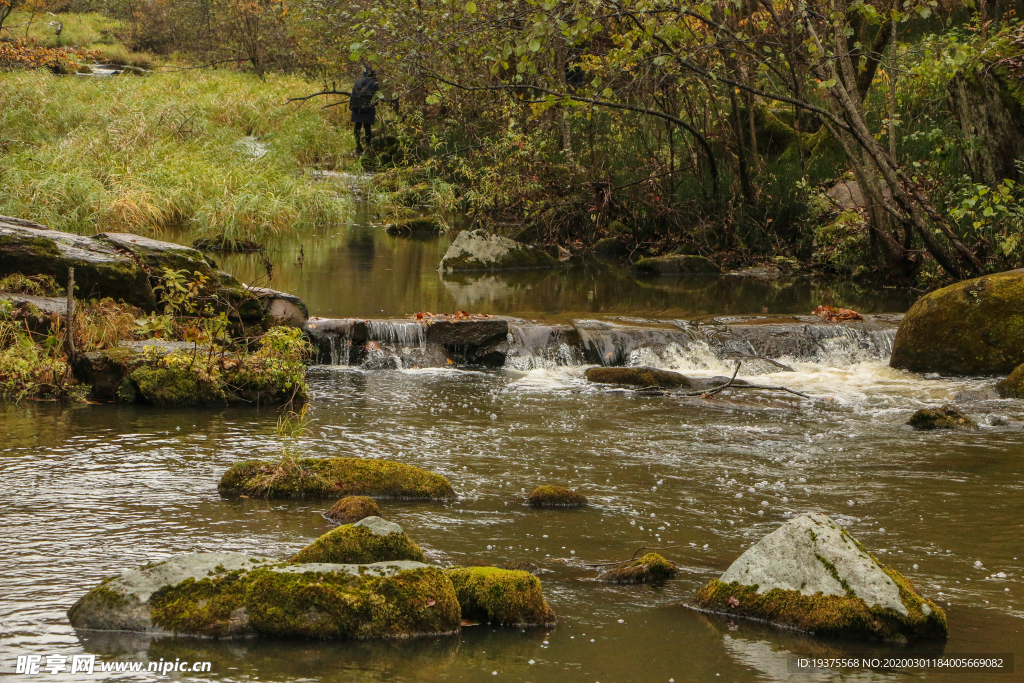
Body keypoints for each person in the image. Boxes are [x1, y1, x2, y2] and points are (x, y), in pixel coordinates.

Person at [350, 68, 379, 154]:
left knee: (357, 126)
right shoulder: (374, 84)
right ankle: (368, 146)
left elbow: (353, 94)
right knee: (367, 127)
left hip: (356, 107)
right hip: (368, 108)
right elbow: (376, 98)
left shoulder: (358, 82)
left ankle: (358, 146)